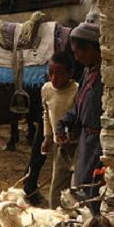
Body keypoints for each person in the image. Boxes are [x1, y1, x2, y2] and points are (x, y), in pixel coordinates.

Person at [55, 16, 104, 202]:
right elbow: (78, 107)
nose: (76, 58)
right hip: (85, 141)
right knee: (82, 186)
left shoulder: (104, 77)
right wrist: (63, 125)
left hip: (98, 144)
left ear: (91, 49)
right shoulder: (86, 72)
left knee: (92, 189)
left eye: (78, 53)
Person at [40, 51, 79, 207]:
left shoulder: (77, 90)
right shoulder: (46, 89)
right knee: (57, 184)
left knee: (75, 184)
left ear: (70, 73)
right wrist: (47, 136)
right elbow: (46, 113)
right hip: (59, 144)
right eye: (51, 73)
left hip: (76, 144)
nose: (55, 78)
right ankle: (54, 214)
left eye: (60, 73)